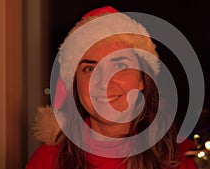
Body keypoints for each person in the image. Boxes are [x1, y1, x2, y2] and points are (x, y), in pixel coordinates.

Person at [26, 6, 198, 169]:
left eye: (120, 66)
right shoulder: (47, 160)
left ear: (142, 80)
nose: (104, 82)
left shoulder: (184, 157)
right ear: (75, 84)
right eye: (90, 68)